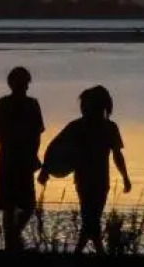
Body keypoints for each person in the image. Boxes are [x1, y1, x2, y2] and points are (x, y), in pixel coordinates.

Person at [39, 85, 131, 255]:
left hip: (101, 179)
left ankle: (83, 252)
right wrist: (46, 168)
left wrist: (125, 176)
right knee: (91, 217)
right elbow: (54, 146)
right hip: (84, 179)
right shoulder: (77, 126)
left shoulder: (109, 127)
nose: (83, 108)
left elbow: (117, 155)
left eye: (87, 104)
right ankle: (94, 253)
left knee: (91, 218)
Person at [0, 65, 44, 252]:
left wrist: (31, 153)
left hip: (22, 158)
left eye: (26, 83)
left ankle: (13, 236)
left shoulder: (32, 104)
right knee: (9, 205)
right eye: (22, 82)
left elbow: (37, 133)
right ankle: (10, 242)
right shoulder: (3, 104)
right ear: (12, 84)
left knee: (27, 205)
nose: (25, 86)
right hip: (9, 158)